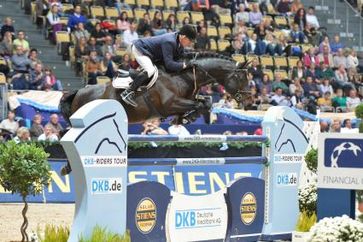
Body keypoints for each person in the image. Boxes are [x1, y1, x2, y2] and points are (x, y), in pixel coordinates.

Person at [119, 25, 197, 107]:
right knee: (150, 70)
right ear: (184, 37)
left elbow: (181, 55)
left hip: (150, 53)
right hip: (140, 49)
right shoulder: (170, 41)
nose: (190, 43)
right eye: (190, 40)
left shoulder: (178, 40)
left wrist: (194, 57)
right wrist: (184, 65)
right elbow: (169, 64)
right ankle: (128, 92)